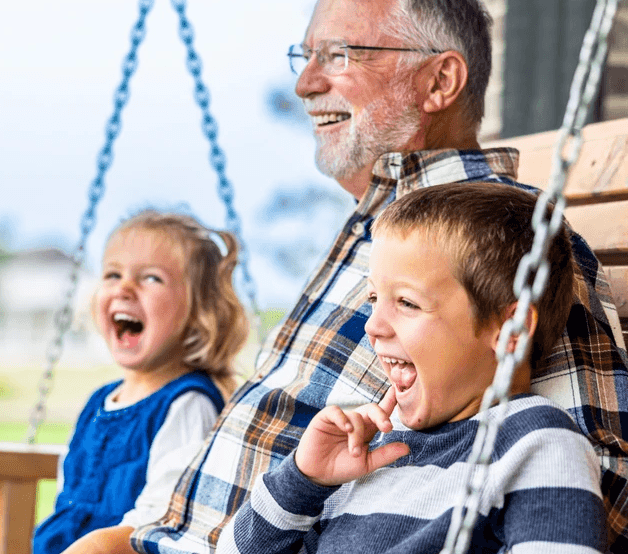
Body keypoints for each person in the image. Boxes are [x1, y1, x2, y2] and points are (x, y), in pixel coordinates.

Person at [70, 0, 628, 554]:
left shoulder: (494, 244)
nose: (305, 83)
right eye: (304, 58)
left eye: (337, 54)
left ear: (439, 81)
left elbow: (621, 497)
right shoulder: (383, 231)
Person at [217, 182, 606, 554]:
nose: (372, 325)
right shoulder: (372, 450)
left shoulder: (539, 446)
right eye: (373, 297)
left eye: (407, 302)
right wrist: (303, 480)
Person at [33, 210, 250, 554]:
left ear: (199, 311)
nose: (124, 288)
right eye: (112, 274)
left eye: (151, 278)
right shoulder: (99, 403)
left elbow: (164, 521)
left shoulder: (188, 404)